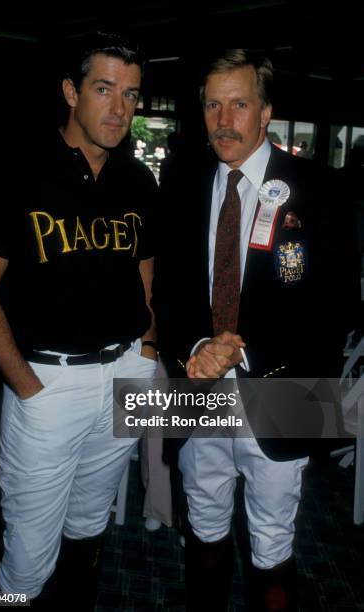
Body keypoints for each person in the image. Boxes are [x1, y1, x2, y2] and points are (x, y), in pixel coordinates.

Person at [154, 49, 357, 611]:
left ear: (266, 111)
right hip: (198, 386)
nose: (224, 120)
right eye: (212, 106)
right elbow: (167, 290)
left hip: (288, 388)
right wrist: (197, 347)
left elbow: (336, 306)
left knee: (273, 546)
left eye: (239, 104)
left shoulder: (320, 188)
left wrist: (239, 353)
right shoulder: (182, 181)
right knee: (204, 526)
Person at [0, 32, 158, 610]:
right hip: (48, 382)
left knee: (91, 522)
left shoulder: (138, 181)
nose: (119, 108)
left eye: (131, 94)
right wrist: (27, 386)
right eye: (104, 89)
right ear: (72, 92)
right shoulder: (16, 173)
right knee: (26, 556)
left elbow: (147, 276)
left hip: (124, 373)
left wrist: (146, 352)